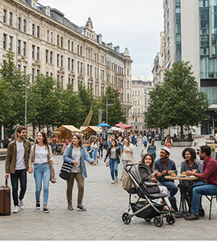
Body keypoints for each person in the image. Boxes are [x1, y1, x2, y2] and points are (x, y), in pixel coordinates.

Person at [63, 133, 94, 211]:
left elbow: (86, 156)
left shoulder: (82, 149)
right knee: (70, 188)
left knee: (81, 186)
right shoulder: (69, 148)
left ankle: (79, 203)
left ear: (79, 140)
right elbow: (65, 156)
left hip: (79, 170)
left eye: (75, 138)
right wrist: (72, 161)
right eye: (73, 138)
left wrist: (91, 160)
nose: (73, 140)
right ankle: (69, 204)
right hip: (70, 170)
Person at [185, 146, 217, 220]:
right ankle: (199, 209)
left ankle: (195, 213)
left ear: (204, 153)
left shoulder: (211, 162)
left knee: (196, 190)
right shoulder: (206, 162)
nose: (198, 154)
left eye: (199, 152)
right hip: (209, 183)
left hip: (214, 185)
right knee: (191, 187)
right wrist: (196, 172)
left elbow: (204, 175)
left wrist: (193, 174)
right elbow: (204, 174)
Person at [5, 126, 31, 213]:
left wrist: (30, 166)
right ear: (18, 133)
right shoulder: (11, 145)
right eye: (23, 132)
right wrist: (7, 171)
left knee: (23, 187)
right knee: (14, 188)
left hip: (23, 169)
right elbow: (8, 158)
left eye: (25, 132)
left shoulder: (27, 143)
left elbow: (30, 156)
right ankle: (16, 205)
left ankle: (20, 199)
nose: (24, 134)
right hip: (14, 169)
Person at [28, 131, 52, 213]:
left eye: (40, 136)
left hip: (46, 167)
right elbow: (30, 158)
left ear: (43, 137)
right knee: (38, 188)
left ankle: (45, 205)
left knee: (46, 187)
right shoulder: (34, 147)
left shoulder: (48, 147)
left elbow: (50, 157)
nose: (38, 137)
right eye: (37, 136)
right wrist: (30, 167)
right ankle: (37, 200)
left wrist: (53, 164)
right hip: (37, 167)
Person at [154, 147, 178, 212]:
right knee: (164, 189)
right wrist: (159, 174)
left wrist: (168, 172)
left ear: (167, 155)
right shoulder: (157, 162)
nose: (161, 154)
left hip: (168, 181)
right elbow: (154, 172)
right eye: (161, 152)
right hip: (160, 180)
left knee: (174, 188)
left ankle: (167, 200)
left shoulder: (172, 162)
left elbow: (175, 172)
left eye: (163, 153)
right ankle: (169, 202)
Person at [180, 148, 204, 212]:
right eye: (185, 154)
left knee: (191, 187)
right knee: (182, 187)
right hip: (187, 181)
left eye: (188, 154)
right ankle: (191, 206)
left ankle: (197, 208)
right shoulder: (184, 163)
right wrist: (185, 173)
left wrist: (196, 172)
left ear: (192, 155)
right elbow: (181, 173)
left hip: (197, 181)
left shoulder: (198, 163)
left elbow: (202, 173)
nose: (186, 156)